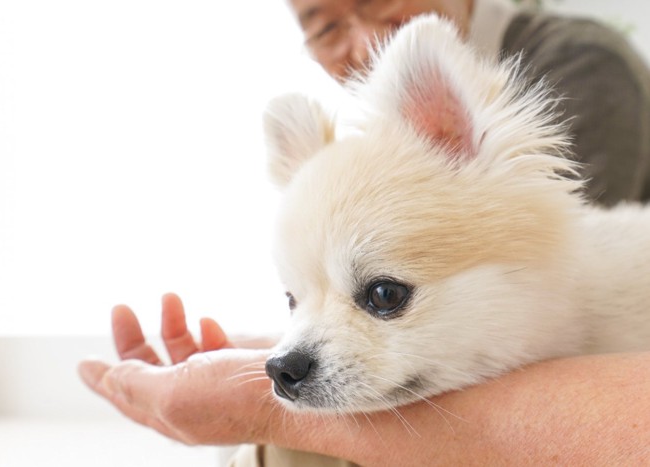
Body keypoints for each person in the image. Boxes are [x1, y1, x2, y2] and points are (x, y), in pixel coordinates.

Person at [79, 0, 650, 465]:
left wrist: (252, 408)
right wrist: (248, 364)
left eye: (384, 295)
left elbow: (543, 242)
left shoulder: (576, 64)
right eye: (326, 26)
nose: (360, 38)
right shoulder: (368, 160)